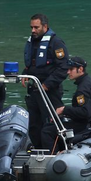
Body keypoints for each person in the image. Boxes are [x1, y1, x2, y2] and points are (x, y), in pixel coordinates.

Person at [22, 13, 68, 149]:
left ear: (45, 26)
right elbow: (32, 65)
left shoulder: (56, 43)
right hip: (34, 89)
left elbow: (63, 68)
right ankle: (38, 149)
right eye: (31, 27)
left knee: (50, 124)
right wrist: (25, 74)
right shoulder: (32, 42)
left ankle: (55, 151)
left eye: (36, 27)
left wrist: (47, 85)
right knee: (34, 124)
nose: (33, 30)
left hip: (50, 91)